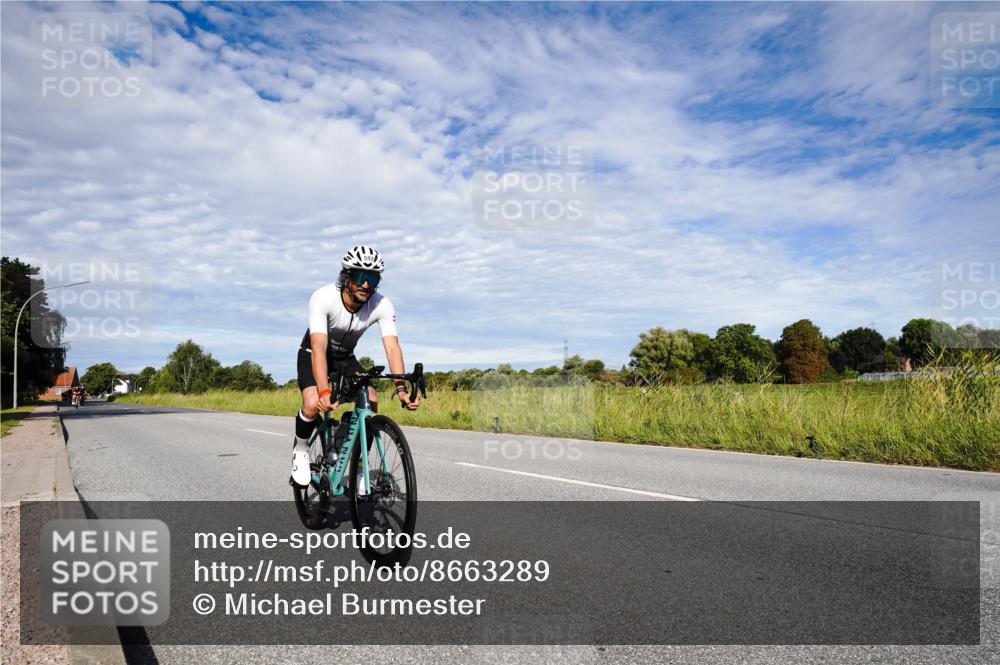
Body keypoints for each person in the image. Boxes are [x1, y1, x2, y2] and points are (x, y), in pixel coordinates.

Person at [290, 245, 419, 486]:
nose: (366, 285)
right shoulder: (323, 297)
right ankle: (301, 448)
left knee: (370, 398)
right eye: (360, 277)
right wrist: (324, 390)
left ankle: (357, 462)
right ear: (346, 276)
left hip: (345, 357)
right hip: (313, 353)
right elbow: (318, 347)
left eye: (373, 279)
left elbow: (392, 347)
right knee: (311, 403)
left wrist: (401, 389)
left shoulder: (381, 304)